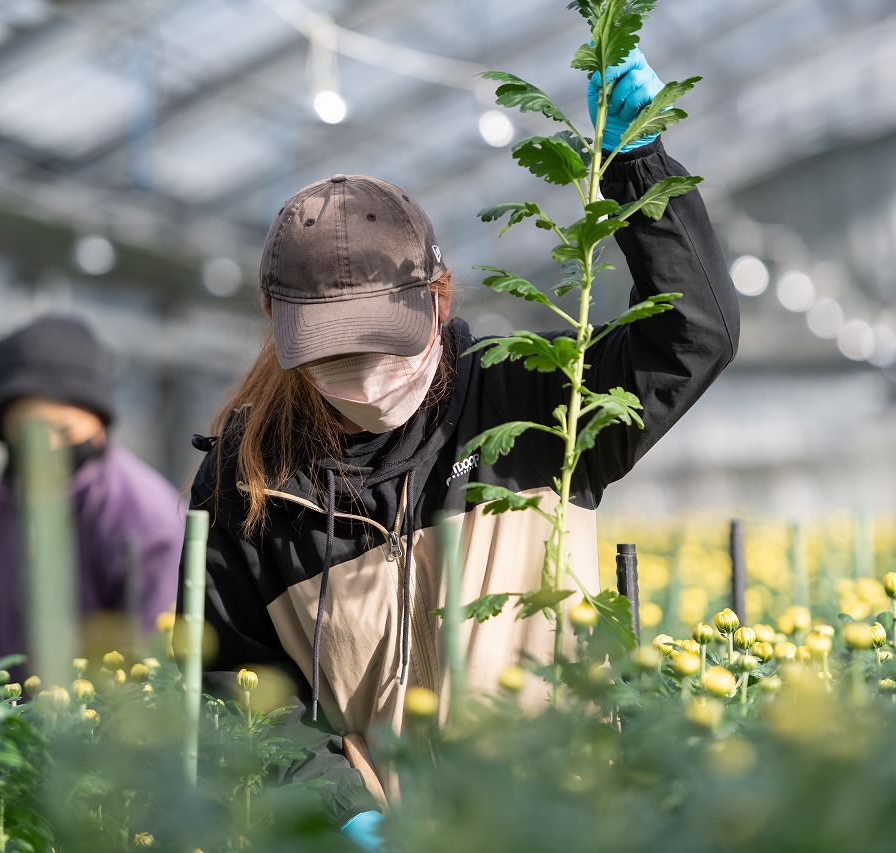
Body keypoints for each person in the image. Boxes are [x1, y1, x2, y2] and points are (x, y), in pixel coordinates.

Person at [183, 47, 738, 843]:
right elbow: (228, 679)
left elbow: (694, 334)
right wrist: (342, 809)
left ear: (439, 298)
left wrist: (638, 165)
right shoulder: (250, 478)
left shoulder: (533, 397)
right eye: (335, 359)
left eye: (387, 348)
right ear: (275, 320)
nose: (368, 380)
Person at [0, 314, 184, 676]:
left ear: (99, 423)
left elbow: (156, 666)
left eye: (63, 429)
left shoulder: (142, 514)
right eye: (27, 429)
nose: (47, 446)